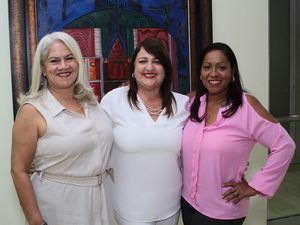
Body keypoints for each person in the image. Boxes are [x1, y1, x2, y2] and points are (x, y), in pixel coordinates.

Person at [180, 42, 296, 225]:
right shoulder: (193, 101)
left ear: (232, 71)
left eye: (222, 67)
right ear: (200, 73)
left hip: (223, 211)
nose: (213, 74)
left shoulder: (247, 106)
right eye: (207, 67)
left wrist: (254, 186)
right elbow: (160, 110)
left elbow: (285, 145)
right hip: (188, 203)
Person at [10, 31, 113, 225]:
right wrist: (36, 221)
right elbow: (18, 171)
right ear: (43, 69)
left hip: (101, 203)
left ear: (78, 63)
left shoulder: (92, 103)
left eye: (69, 58)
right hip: (58, 208)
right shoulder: (32, 111)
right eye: (54, 61)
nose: (63, 66)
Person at [100, 38, 189, 225]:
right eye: (143, 61)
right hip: (128, 209)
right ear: (133, 69)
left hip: (170, 207)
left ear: (166, 69)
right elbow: (94, 143)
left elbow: (200, 146)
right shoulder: (113, 100)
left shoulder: (184, 105)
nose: (150, 67)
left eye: (157, 61)